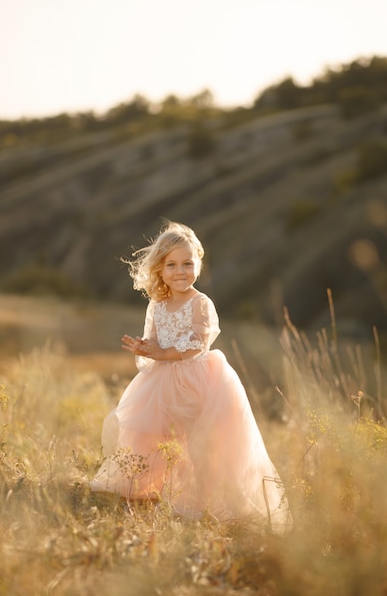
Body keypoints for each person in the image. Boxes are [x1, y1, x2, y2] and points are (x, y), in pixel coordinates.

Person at [90, 221, 291, 530]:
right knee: (156, 437)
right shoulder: (158, 305)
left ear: (199, 262)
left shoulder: (201, 303)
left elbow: (198, 343)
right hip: (163, 381)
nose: (180, 271)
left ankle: (201, 501)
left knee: (199, 444)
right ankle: (151, 488)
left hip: (199, 380)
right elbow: (156, 338)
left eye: (187, 263)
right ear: (160, 268)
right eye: (171, 264)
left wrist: (163, 353)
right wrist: (147, 348)